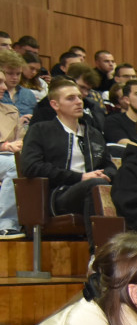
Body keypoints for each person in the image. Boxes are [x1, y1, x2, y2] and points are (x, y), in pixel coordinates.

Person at [20, 78, 114, 245]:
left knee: (129, 186)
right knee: (95, 185)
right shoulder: (41, 130)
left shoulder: (93, 133)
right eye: (71, 98)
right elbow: (31, 166)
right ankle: (98, 255)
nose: (78, 101)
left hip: (94, 187)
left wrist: (104, 174)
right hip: (58, 194)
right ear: (55, 105)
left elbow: (110, 166)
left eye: (79, 97)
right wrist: (80, 177)